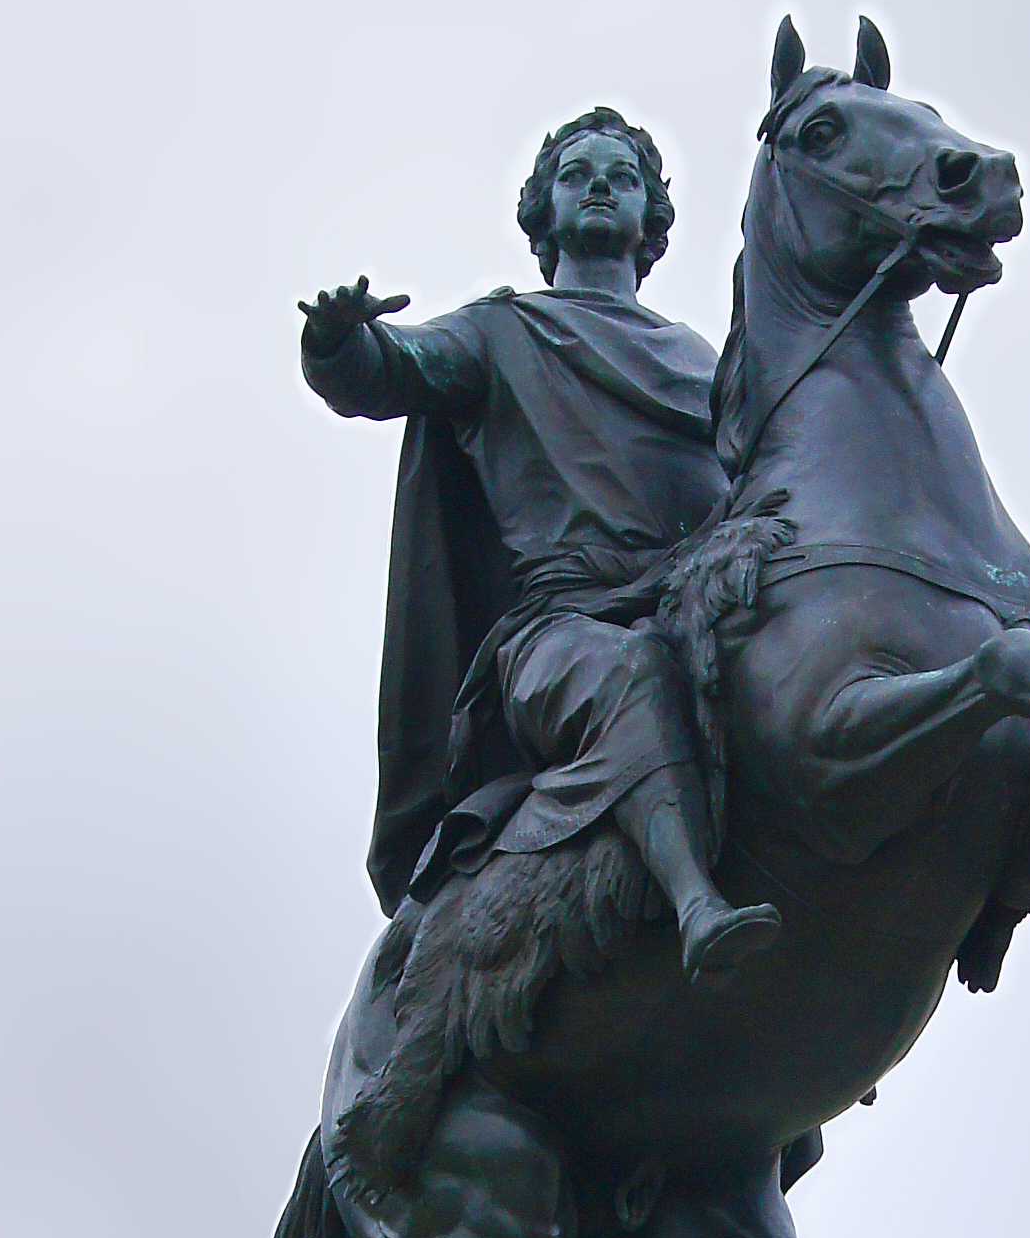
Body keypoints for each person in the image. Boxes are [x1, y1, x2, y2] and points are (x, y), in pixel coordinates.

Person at [300, 106, 781, 981]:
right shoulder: (500, 331)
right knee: (634, 673)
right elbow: (388, 370)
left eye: (622, 176)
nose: (600, 185)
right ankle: (695, 904)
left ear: (651, 223)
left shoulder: (710, 362)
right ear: (541, 212)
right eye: (577, 174)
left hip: (693, 609)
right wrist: (340, 344)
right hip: (560, 633)